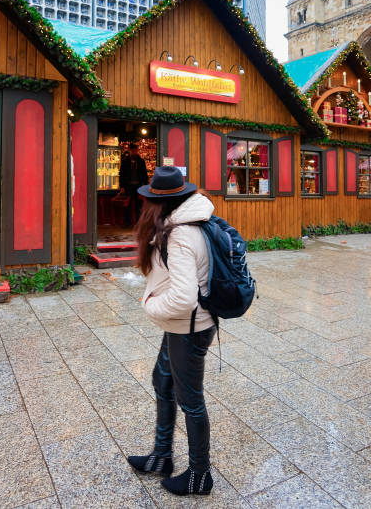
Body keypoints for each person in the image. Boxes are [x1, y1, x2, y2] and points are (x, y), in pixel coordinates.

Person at [127, 166, 216, 496]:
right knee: (162, 381)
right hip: (183, 326)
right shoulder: (187, 222)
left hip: (189, 328)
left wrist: (150, 306)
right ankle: (162, 456)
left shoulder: (178, 235)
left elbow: (183, 297)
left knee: (190, 400)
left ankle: (198, 475)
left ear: (157, 203)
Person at [119, 143, 148, 225]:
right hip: (128, 186)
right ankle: (127, 222)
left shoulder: (141, 161)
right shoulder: (125, 161)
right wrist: (122, 187)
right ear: (130, 151)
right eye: (132, 151)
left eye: (135, 150)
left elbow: (144, 174)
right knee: (127, 205)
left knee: (139, 205)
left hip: (139, 186)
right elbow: (122, 174)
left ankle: (138, 222)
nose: (134, 152)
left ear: (137, 151)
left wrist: (144, 185)